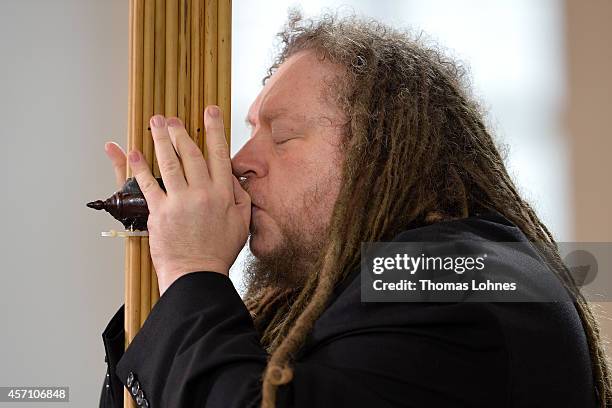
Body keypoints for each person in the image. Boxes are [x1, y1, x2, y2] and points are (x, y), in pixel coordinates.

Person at [98, 13, 609, 408]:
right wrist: (168, 267)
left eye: (282, 136)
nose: (240, 162)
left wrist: (190, 273)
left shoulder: (460, 281)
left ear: (382, 150)